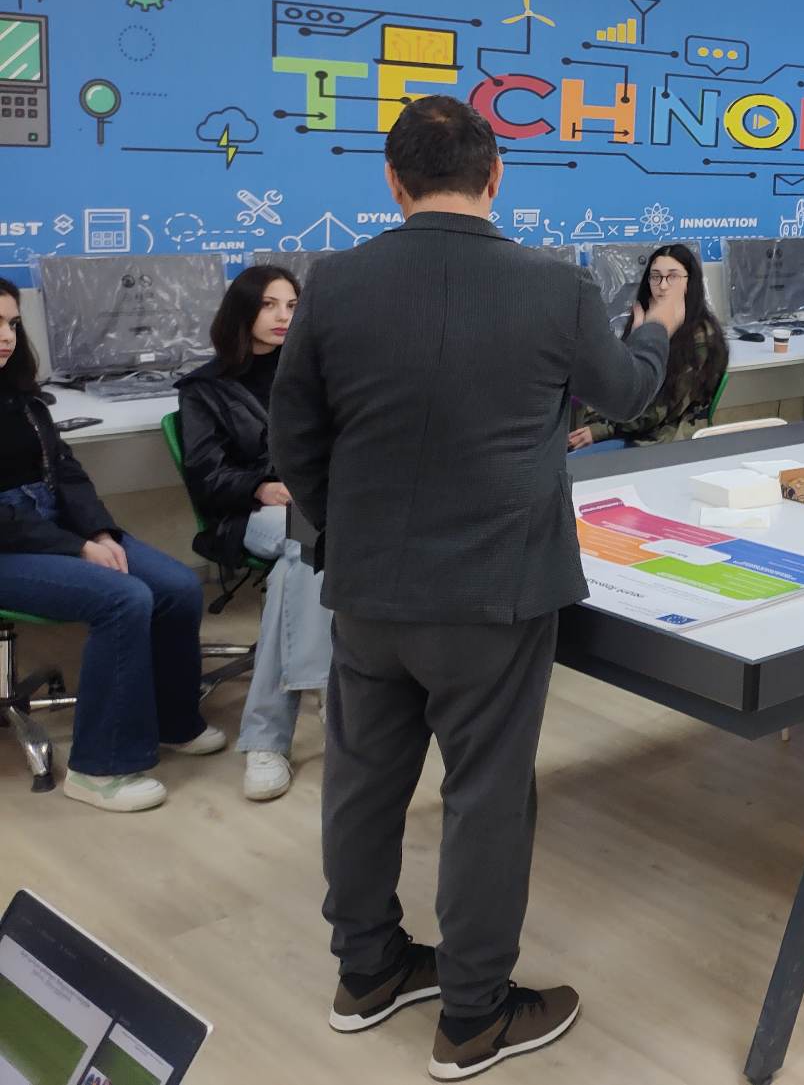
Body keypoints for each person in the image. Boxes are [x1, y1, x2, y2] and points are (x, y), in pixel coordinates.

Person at [272, 96, 682, 1074]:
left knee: (362, 783)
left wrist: (348, 535)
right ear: (496, 176)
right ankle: (472, 1016)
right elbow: (629, 392)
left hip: (369, 592)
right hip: (497, 596)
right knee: (486, 797)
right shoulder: (555, 286)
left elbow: (294, 436)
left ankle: (366, 970)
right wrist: (659, 327)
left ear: (393, 181)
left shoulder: (334, 284)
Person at [0, 278, 222, 812]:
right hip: (10, 544)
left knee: (177, 586)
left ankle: (173, 721)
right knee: (122, 598)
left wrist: (98, 531)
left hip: (53, 526)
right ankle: (100, 768)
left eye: (11, 323)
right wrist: (75, 548)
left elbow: (66, 474)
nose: (6, 336)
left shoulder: (20, 397)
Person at [175, 264, 330, 802]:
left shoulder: (314, 373)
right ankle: (322, 700)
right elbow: (206, 478)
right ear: (242, 312)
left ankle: (267, 739)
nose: (283, 316)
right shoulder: (204, 389)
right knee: (310, 543)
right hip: (248, 514)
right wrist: (261, 487)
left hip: (320, 508)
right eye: (269, 305)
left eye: (292, 305)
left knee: (300, 559)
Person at [567, 244, 728, 450]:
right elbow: (626, 378)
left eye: (672, 277)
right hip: (631, 421)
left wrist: (601, 429)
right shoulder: (647, 321)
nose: (663, 285)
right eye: (656, 276)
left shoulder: (700, 338)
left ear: (690, 282)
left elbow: (655, 413)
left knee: (577, 457)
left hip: (663, 439)